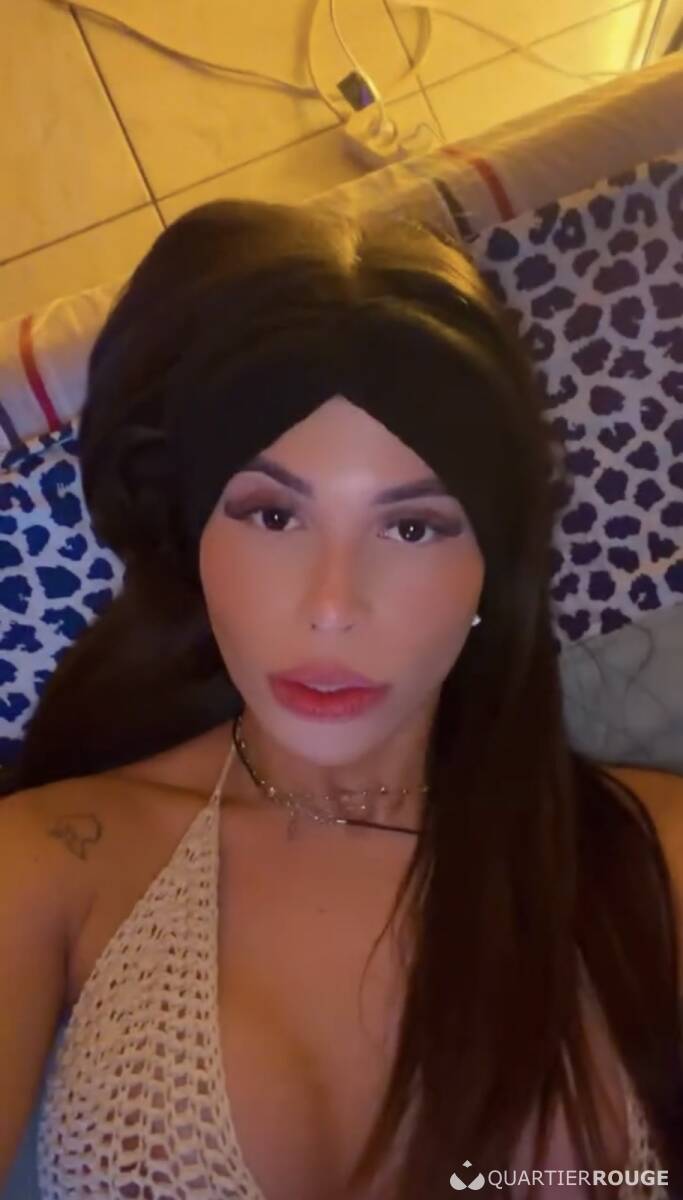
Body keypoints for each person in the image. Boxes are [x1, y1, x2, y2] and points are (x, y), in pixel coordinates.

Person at [0, 198, 682, 1200]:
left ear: (489, 569)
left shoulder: (657, 860)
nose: (331, 606)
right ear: (192, 543)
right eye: (271, 514)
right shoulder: (49, 865)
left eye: (410, 528)